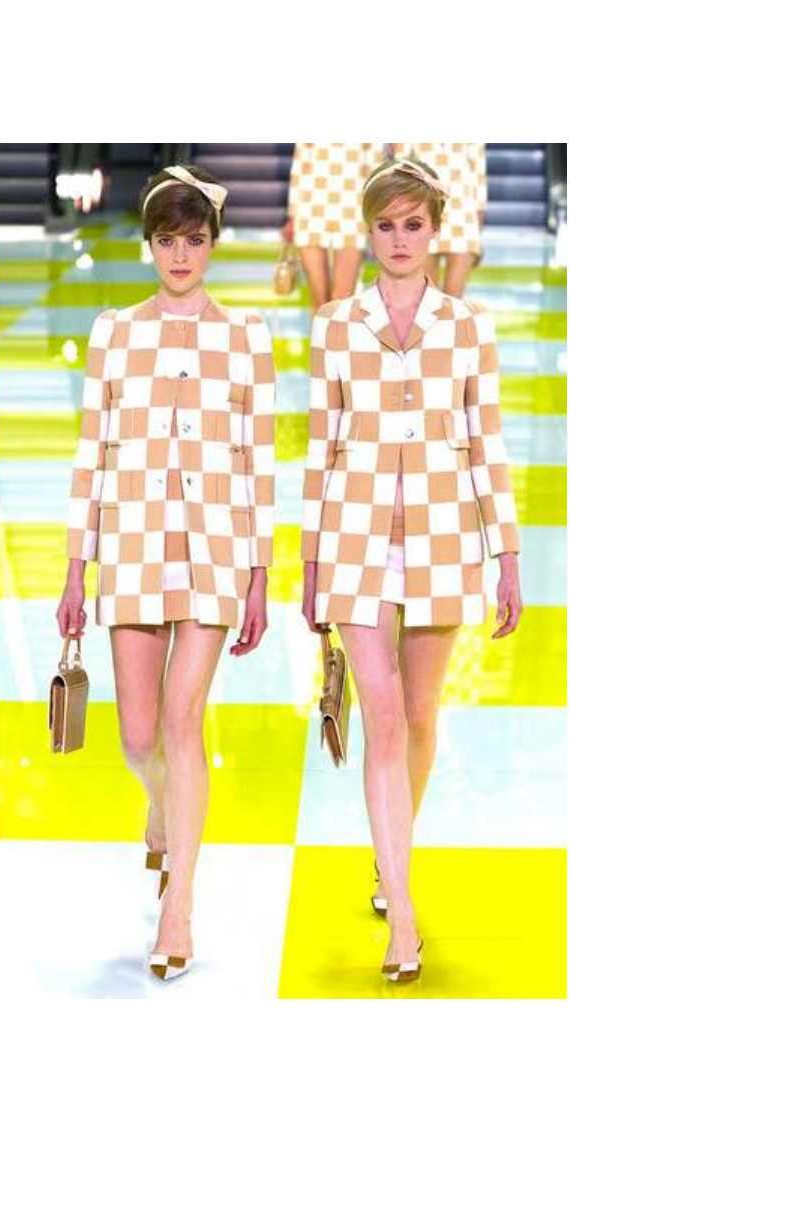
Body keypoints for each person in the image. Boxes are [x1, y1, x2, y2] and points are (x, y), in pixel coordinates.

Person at [300, 156, 523, 986]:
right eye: (386, 226)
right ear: (367, 231)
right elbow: (320, 448)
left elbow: (487, 445)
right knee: (384, 721)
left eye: (413, 225)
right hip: (354, 542)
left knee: (421, 718)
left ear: (435, 230)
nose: (399, 240)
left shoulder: (467, 327)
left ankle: (388, 854)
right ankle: (401, 912)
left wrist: (506, 555)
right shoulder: (334, 324)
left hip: (443, 539)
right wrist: (309, 563)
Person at [56, 164, 275, 982]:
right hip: (133, 544)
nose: (180, 255)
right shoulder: (114, 332)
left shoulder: (247, 336)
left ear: (212, 244)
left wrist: (260, 572)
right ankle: (160, 806)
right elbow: (91, 454)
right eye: (166, 240)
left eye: (194, 240)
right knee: (137, 734)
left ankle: (179, 904)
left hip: (216, 548)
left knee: (184, 720)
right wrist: (75, 568)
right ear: (148, 245)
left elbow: (258, 462)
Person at [284, 143, 384, 310]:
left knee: (342, 301)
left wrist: (375, 215)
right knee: (319, 299)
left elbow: (375, 169)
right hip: (309, 207)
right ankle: (320, 328)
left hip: (352, 208)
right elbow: (299, 165)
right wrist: (293, 215)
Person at [392, 143, 486, 298]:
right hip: (425, 212)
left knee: (455, 303)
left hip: (464, 216)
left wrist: (478, 232)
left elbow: (479, 177)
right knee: (430, 302)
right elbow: (400, 170)